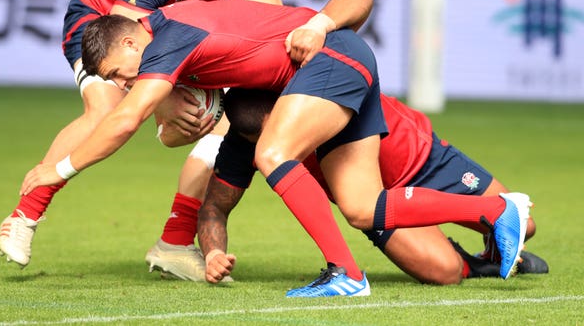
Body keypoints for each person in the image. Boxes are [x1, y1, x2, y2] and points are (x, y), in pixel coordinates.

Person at [18, 0, 532, 298]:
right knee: (362, 209)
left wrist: (53, 174)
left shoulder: (166, 36)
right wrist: (213, 250)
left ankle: (347, 274)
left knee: (274, 153)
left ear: (131, 41)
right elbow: (209, 190)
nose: (127, 84)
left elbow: (126, 120)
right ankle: (493, 215)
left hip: (348, 72)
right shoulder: (234, 98)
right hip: (343, 73)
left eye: (119, 73)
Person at [0, 0, 284, 281]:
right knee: (108, 112)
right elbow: (126, 44)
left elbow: (269, 24)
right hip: (101, 27)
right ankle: (25, 214)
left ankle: (175, 242)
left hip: (178, 39)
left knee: (230, 123)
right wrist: (164, 99)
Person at [197, 88, 549, 285]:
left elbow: (357, 3)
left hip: (424, 159)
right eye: (266, 141)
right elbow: (214, 208)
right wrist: (213, 253)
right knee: (445, 272)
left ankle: (494, 247)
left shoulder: (319, 88)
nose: (280, 147)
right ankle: (479, 263)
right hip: (376, 200)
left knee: (526, 225)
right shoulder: (245, 144)